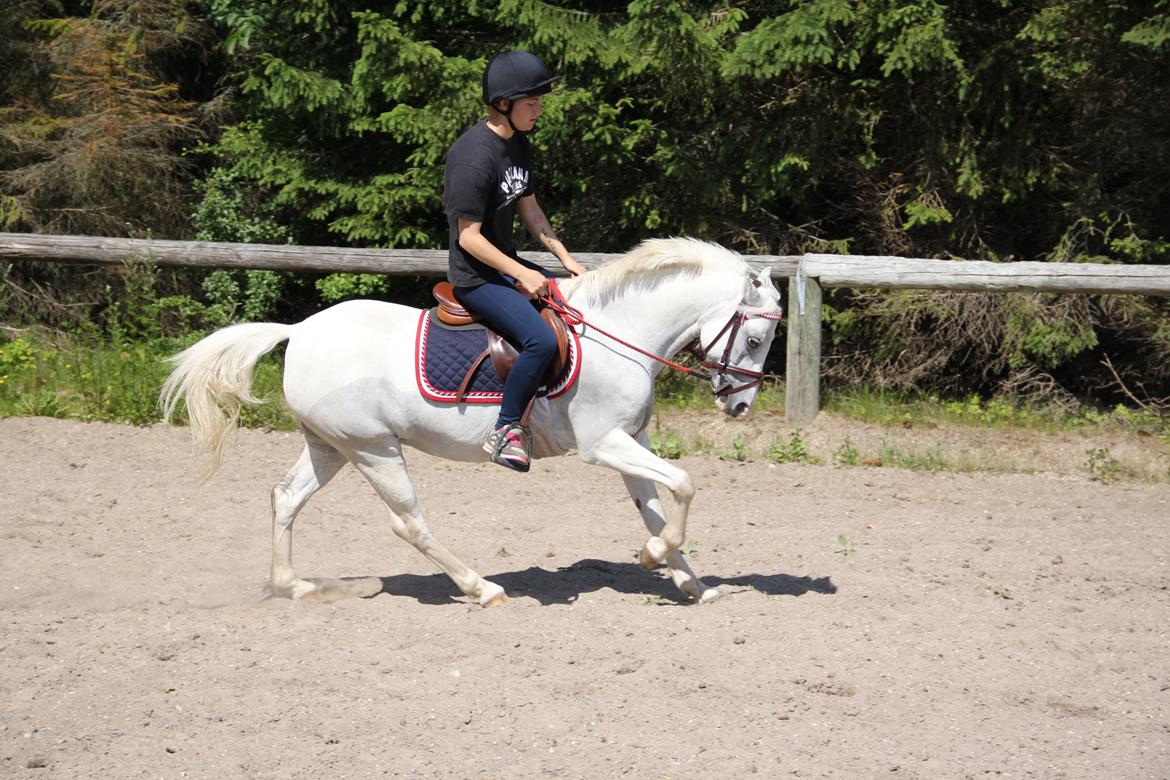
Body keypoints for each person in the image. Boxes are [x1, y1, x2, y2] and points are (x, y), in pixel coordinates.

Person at [444, 49, 586, 473]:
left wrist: (567, 260)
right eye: (533, 103)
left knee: (575, 306)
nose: (539, 110)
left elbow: (531, 210)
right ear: (504, 104)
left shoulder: (518, 144)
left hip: (505, 265)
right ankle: (506, 430)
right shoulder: (473, 156)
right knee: (540, 341)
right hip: (476, 277)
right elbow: (468, 238)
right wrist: (523, 272)